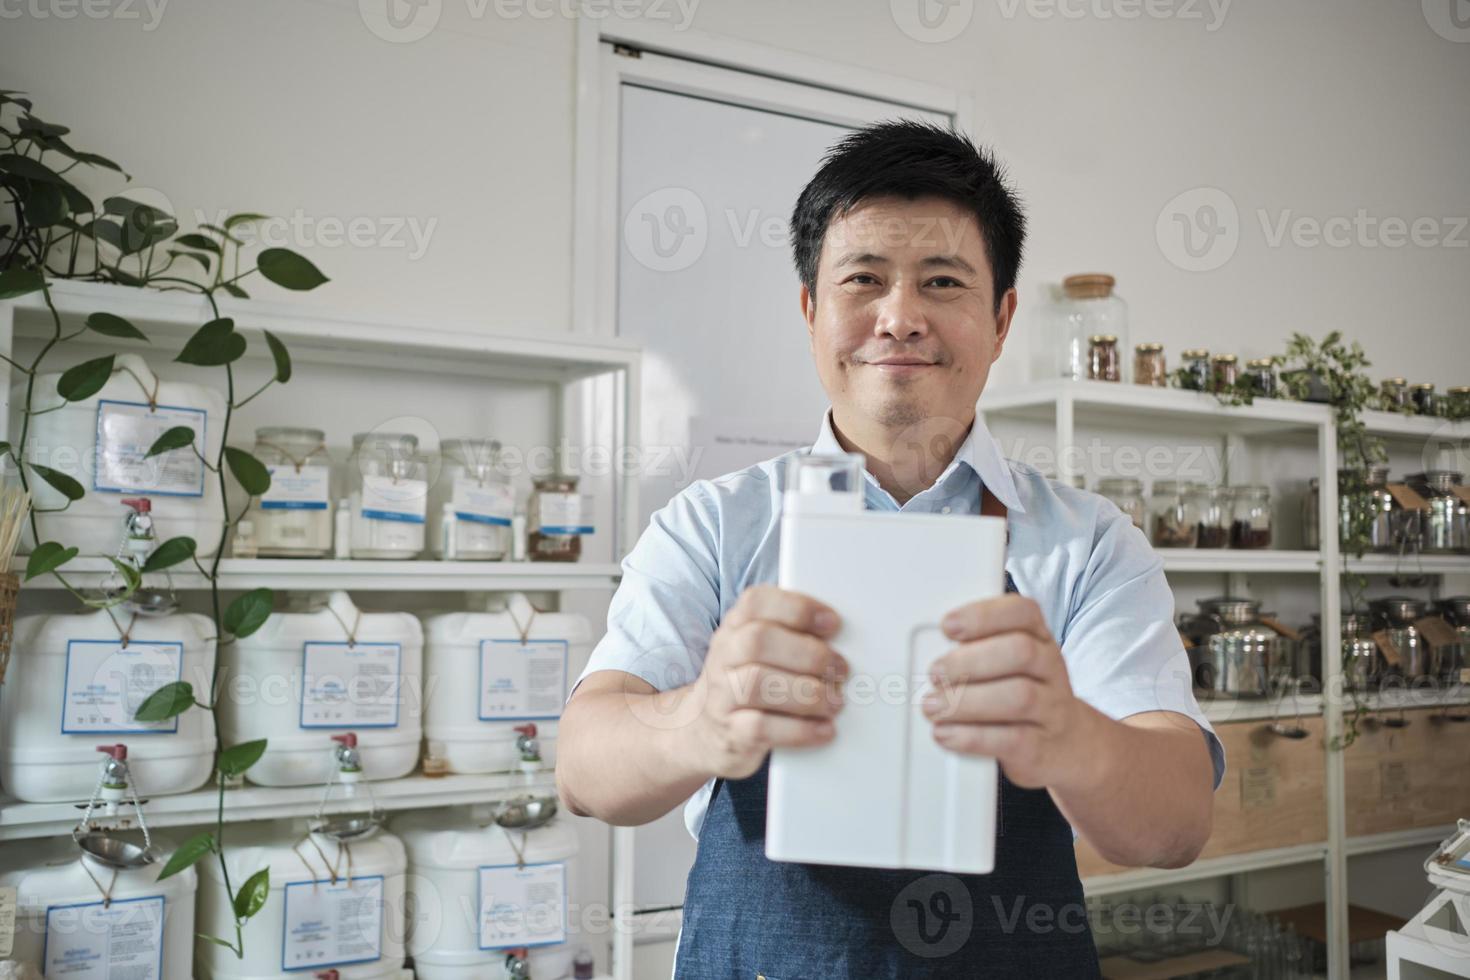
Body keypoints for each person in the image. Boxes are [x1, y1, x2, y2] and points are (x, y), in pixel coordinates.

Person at [557, 119, 1224, 978]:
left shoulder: (1090, 545)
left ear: (1002, 316)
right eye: (863, 280)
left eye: (942, 281)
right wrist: (701, 719)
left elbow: (1175, 827)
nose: (900, 317)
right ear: (811, 310)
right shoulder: (713, 526)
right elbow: (583, 766)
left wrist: (1070, 735)